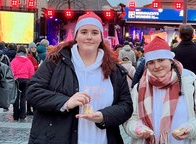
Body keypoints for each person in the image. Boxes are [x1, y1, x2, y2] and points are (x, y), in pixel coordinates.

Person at [26, 11, 133, 144]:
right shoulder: (56, 61)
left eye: (94, 32)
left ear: (101, 37)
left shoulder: (114, 70)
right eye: (84, 32)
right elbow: (33, 91)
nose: (89, 37)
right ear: (76, 35)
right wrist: (65, 102)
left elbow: (126, 106)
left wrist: (104, 116)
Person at [123, 36, 196, 144]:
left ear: (170, 60)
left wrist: (190, 129)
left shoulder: (190, 84)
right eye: (151, 62)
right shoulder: (139, 88)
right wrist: (137, 129)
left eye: (161, 60)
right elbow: (130, 119)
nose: (156, 66)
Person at [11, 46, 35, 121]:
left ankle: (15, 115)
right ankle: (22, 115)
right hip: (26, 80)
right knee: (23, 98)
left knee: (16, 98)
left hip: (16, 80)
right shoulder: (28, 61)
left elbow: (11, 71)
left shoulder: (14, 60)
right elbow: (32, 72)